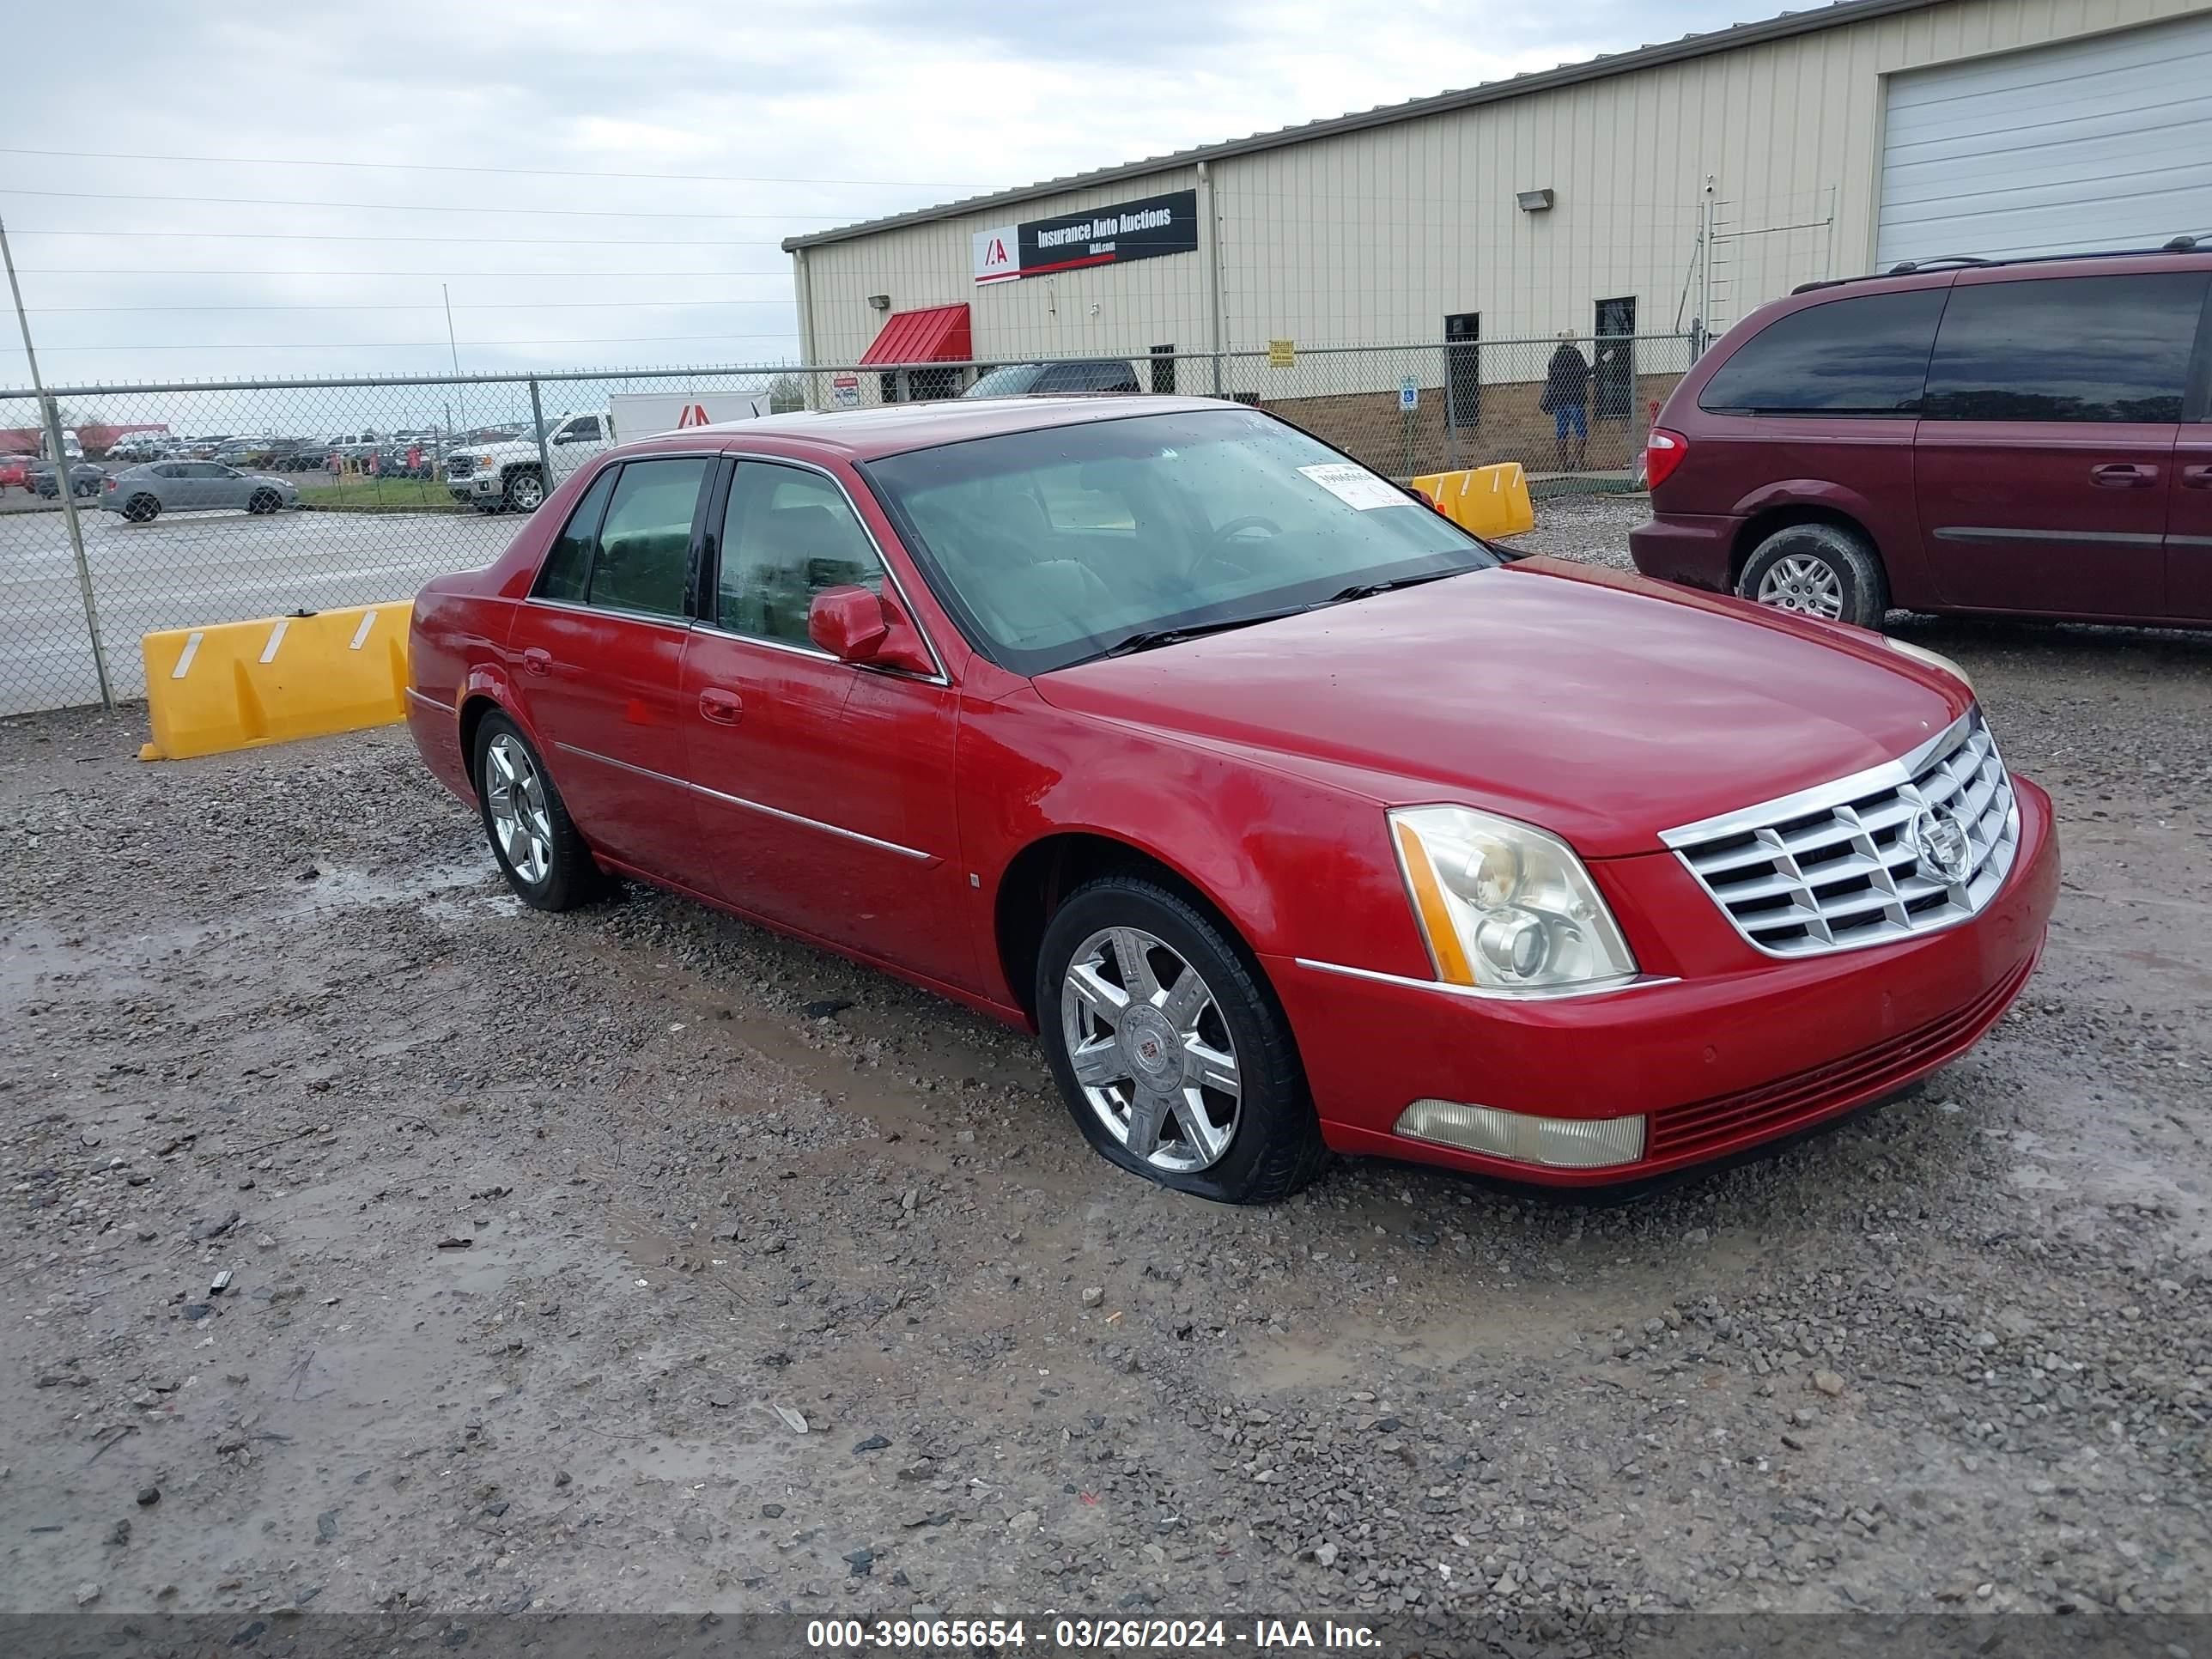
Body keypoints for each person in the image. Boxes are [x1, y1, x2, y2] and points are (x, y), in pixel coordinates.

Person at [1540, 330, 1591, 473]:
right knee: (1580, 431)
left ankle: (1563, 465)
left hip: (1558, 400)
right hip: (1575, 399)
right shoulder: (1575, 354)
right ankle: (1579, 463)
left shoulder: (1554, 357)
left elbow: (1551, 379)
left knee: (1561, 432)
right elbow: (1585, 373)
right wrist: (1601, 362)